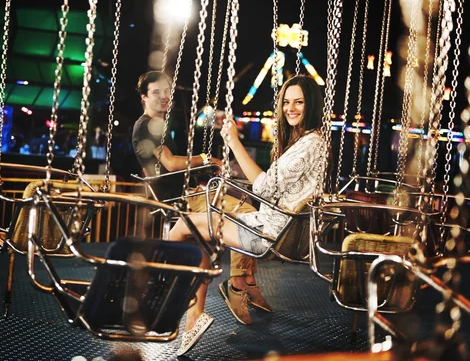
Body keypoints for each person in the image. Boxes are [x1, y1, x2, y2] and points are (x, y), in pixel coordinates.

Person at [168, 75, 326, 356]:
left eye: (299, 102)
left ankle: (166, 288)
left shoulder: (311, 144)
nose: (291, 108)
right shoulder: (308, 142)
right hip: (268, 224)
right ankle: (194, 312)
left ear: (311, 104)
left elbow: (264, 188)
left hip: (266, 231)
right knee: (194, 232)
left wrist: (234, 143)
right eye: (287, 102)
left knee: (183, 225)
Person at [131, 71, 272, 330]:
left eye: (165, 91)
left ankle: (240, 285)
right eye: (155, 92)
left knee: (231, 224)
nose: (163, 97)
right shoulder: (145, 127)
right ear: (143, 97)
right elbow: (170, 163)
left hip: (189, 193)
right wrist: (206, 159)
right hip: (182, 200)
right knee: (247, 212)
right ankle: (240, 283)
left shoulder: (160, 127)